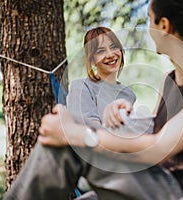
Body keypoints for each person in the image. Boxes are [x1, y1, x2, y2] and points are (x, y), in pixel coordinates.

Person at [4, 0, 183, 199]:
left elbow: (159, 148)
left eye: (150, 19)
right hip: (153, 179)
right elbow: (159, 132)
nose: (149, 28)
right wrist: (124, 117)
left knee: (70, 138)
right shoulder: (170, 79)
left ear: (165, 26)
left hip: (177, 191)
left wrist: (80, 134)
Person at [67, 26, 137, 196]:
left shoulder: (129, 94)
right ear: (91, 59)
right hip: (96, 167)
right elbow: (88, 137)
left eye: (114, 47)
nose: (111, 54)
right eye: (101, 51)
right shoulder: (81, 87)